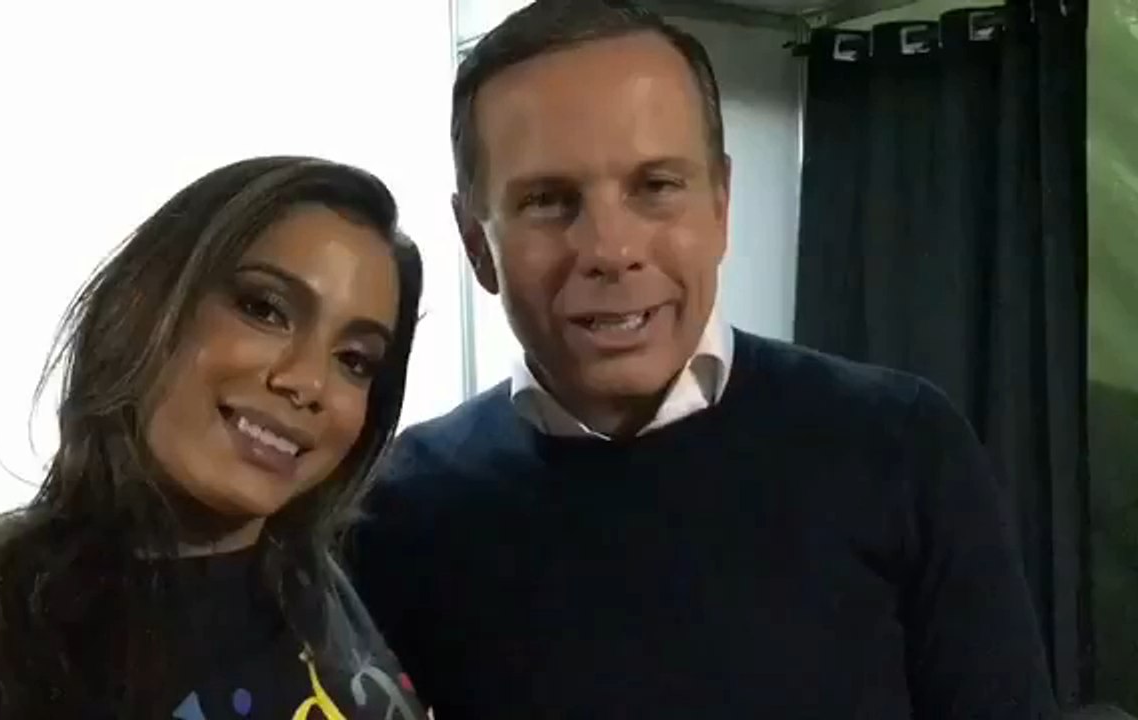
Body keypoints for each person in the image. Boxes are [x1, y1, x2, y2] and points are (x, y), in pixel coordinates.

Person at [349, 1, 1060, 718]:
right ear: (476, 243)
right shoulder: (400, 510)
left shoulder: (903, 447)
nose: (611, 250)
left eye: (656, 186)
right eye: (548, 200)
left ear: (720, 204)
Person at [0, 156, 429, 720]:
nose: (308, 382)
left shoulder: (355, 575)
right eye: (265, 309)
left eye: (354, 360)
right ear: (143, 304)